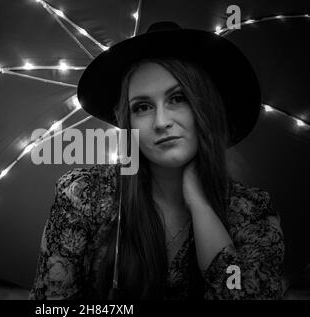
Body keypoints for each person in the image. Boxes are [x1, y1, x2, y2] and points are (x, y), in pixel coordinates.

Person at [28, 22, 285, 300]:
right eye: (142, 107)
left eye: (178, 98)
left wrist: (200, 206)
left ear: (207, 106)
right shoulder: (84, 195)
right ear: (128, 122)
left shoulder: (250, 211)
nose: (161, 122)